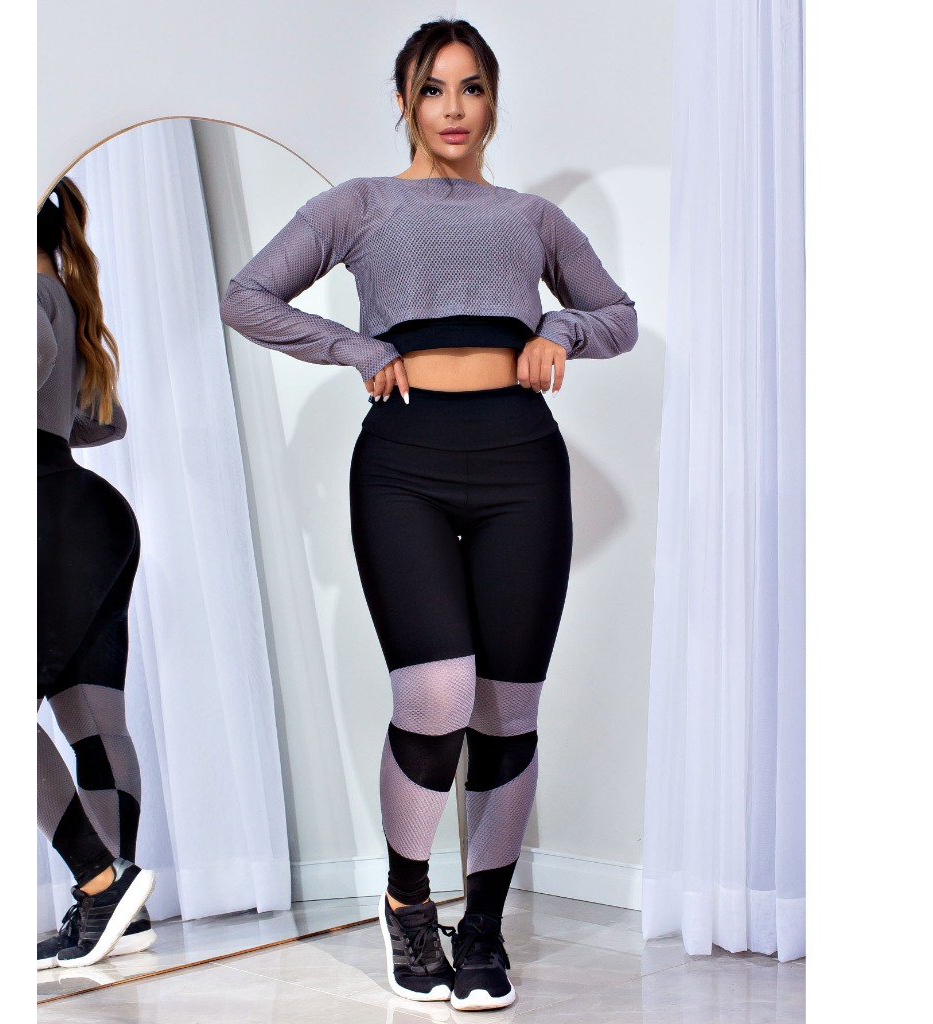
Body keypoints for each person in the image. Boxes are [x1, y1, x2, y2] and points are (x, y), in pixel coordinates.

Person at [221, 18, 637, 1012]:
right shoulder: (359, 205)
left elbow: (618, 315)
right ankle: (409, 900)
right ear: (405, 101)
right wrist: (356, 348)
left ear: (493, 102)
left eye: (472, 88)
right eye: (434, 89)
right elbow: (248, 296)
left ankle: (481, 926)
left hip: (521, 461)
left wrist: (560, 328)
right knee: (438, 693)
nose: (454, 109)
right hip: (404, 462)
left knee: (507, 709)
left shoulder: (532, 218)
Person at [37, 177, 155, 970]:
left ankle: (101, 883)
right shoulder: (62, 292)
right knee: (95, 721)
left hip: (41, 512)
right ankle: (119, 912)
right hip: (88, 514)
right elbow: (101, 421)